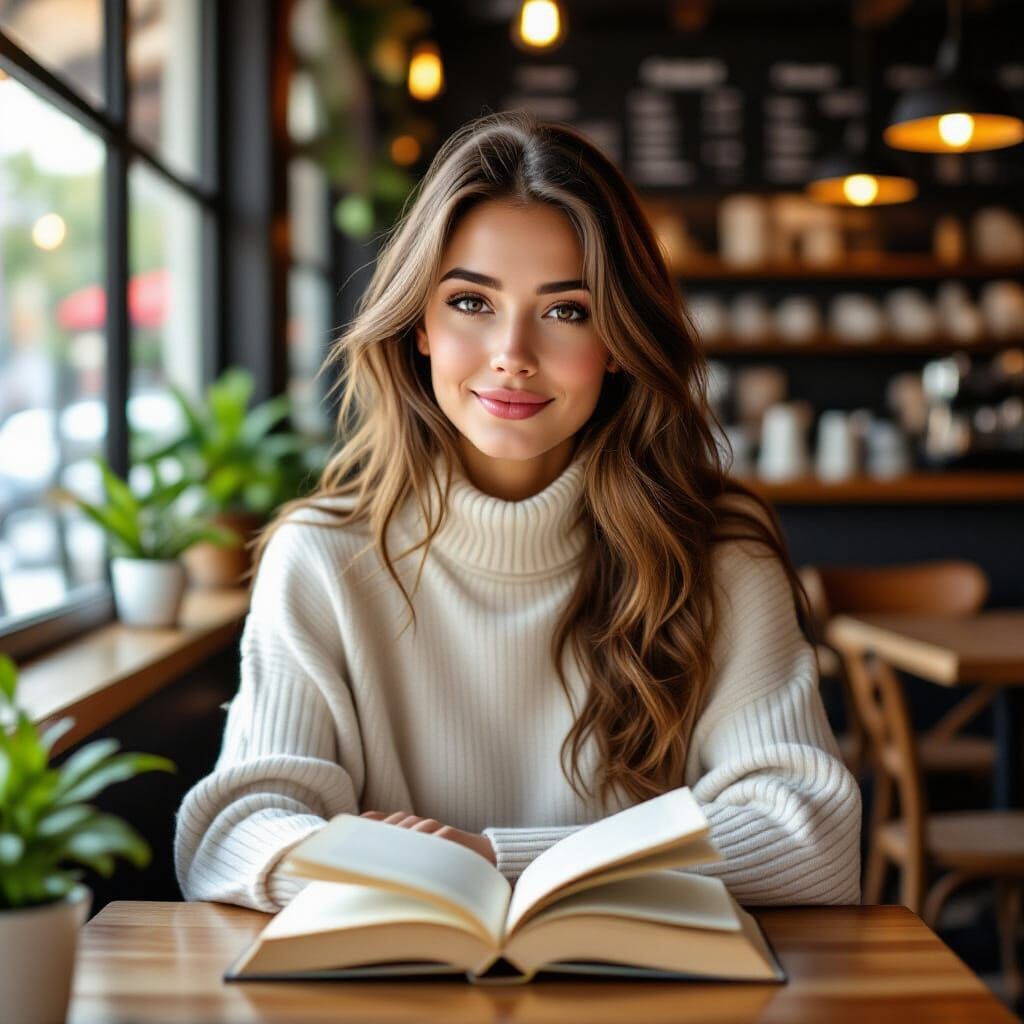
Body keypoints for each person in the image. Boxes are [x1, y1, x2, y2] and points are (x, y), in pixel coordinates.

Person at [174, 109, 861, 913]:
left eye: (566, 310)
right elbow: (231, 834)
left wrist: (488, 861)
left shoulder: (716, 559)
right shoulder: (322, 559)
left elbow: (811, 839)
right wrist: (431, 870)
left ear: (617, 345)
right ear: (420, 324)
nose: (512, 353)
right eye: (471, 301)